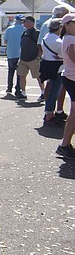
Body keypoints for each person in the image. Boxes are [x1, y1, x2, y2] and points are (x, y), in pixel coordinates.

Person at [56, 13, 75, 158]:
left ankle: (65, 144)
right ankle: (64, 145)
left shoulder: (68, 38)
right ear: (66, 25)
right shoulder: (70, 39)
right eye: (73, 23)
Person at [40, 18, 65, 125]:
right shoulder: (58, 41)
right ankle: (49, 114)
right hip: (57, 68)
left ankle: (49, 112)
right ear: (59, 28)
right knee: (54, 92)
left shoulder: (45, 38)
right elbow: (63, 55)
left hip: (47, 65)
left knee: (50, 89)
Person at [17, 16, 43, 100]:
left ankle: (43, 92)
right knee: (21, 75)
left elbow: (40, 46)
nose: (24, 23)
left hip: (33, 59)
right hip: (23, 59)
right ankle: (23, 93)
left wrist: (38, 57)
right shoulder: (24, 33)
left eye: (25, 21)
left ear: (31, 23)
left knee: (38, 76)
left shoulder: (36, 33)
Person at [3, 15, 26, 96]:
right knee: (20, 73)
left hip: (11, 53)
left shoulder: (9, 29)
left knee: (10, 71)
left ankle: (9, 87)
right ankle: (18, 89)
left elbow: (5, 41)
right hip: (21, 54)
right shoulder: (24, 30)